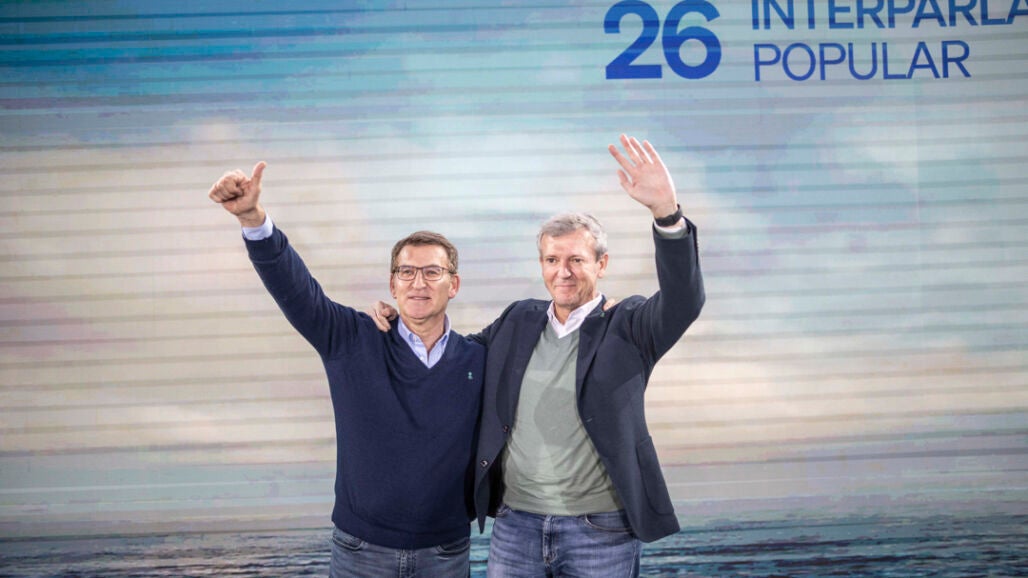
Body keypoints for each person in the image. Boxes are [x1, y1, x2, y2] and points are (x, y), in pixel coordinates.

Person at [373, 134, 705, 576]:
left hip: (601, 530)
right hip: (517, 526)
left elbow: (683, 300)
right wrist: (404, 320)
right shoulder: (519, 319)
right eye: (551, 260)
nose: (562, 272)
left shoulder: (629, 324)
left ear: (601, 264)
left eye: (576, 260)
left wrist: (666, 214)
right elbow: (453, 354)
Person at [208, 162, 485, 578]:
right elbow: (296, 289)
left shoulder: (479, 357)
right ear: (392, 285)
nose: (418, 283)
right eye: (406, 272)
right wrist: (252, 219)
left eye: (432, 272)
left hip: (445, 554)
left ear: (454, 284)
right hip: (361, 553)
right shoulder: (350, 338)